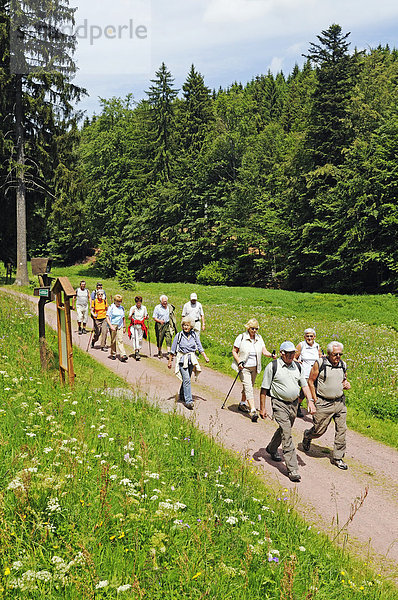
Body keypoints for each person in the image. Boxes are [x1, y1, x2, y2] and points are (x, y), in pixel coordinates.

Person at [260, 341, 315, 482]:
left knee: (285, 429)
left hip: (293, 405)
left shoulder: (297, 366)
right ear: (281, 353)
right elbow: (264, 389)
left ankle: (272, 448)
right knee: (287, 433)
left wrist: (310, 401)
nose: (291, 355)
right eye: (288, 353)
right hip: (279, 404)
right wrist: (263, 407)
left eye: (293, 353)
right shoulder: (273, 366)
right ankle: (293, 469)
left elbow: (304, 385)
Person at [302, 341, 351, 470]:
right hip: (323, 403)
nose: (338, 356)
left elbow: (344, 379)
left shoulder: (343, 365)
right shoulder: (320, 363)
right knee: (319, 430)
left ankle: (338, 457)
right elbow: (311, 381)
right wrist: (314, 399)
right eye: (335, 354)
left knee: (342, 429)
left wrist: (346, 384)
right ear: (329, 353)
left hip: (340, 402)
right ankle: (308, 435)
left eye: (340, 354)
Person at [232, 319, 275, 423]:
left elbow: (264, 351)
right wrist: (239, 362)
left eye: (256, 329)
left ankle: (242, 403)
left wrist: (271, 355)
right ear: (248, 328)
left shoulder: (259, 338)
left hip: (255, 367)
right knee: (248, 387)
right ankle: (253, 410)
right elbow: (234, 351)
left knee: (248, 386)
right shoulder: (241, 337)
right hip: (244, 367)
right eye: (252, 328)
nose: (254, 330)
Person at [167, 318, 209, 409]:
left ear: (191, 327)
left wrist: (205, 357)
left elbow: (199, 347)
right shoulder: (179, 335)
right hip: (182, 360)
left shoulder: (194, 335)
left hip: (191, 359)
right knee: (187, 380)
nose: (185, 327)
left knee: (186, 379)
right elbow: (173, 350)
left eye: (187, 325)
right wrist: (170, 361)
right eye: (184, 325)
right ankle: (189, 401)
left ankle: (182, 395)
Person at [295, 328, 322, 417]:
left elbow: (320, 358)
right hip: (304, 373)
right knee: (307, 391)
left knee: (304, 393)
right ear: (304, 337)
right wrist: (297, 362)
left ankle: (297, 405)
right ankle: (314, 411)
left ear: (314, 337)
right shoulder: (301, 345)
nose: (309, 338)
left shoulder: (317, 346)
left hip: (314, 373)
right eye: (307, 336)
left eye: (311, 336)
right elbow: (294, 357)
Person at [106, 294, 128, 362]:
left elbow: (123, 317)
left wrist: (124, 326)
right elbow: (107, 317)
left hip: (120, 325)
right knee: (113, 340)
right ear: (115, 301)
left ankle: (123, 354)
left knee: (120, 340)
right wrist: (111, 326)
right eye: (118, 301)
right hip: (113, 324)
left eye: (120, 301)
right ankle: (113, 353)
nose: (119, 303)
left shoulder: (121, 308)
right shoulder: (111, 307)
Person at [128, 296, 148, 361]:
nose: (138, 304)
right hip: (134, 325)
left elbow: (146, 316)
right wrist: (131, 314)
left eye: (139, 302)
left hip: (140, 325)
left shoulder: (144, 308)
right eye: (137, 302)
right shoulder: (133, 308)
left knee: (140, 339)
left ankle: (138, 349)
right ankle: (136, 352)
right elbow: (129, 317)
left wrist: (147, 317)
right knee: (134, 337)